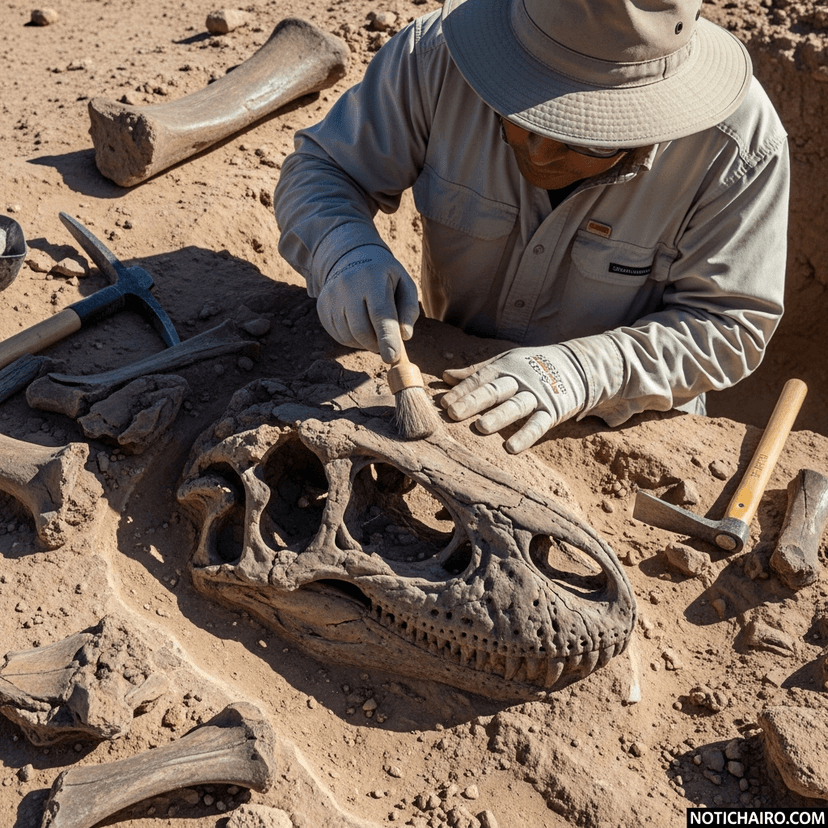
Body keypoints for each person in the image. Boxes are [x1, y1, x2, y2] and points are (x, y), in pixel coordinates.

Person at [273, 0, 789, 454]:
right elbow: (324, 169)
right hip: (448, 375)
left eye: (583, 138)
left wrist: (584, 372)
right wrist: (343, 251)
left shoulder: (735, 147)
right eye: (519, 111)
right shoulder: (437, 59)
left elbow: (729, 324)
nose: (538, 153)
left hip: (623, 431)